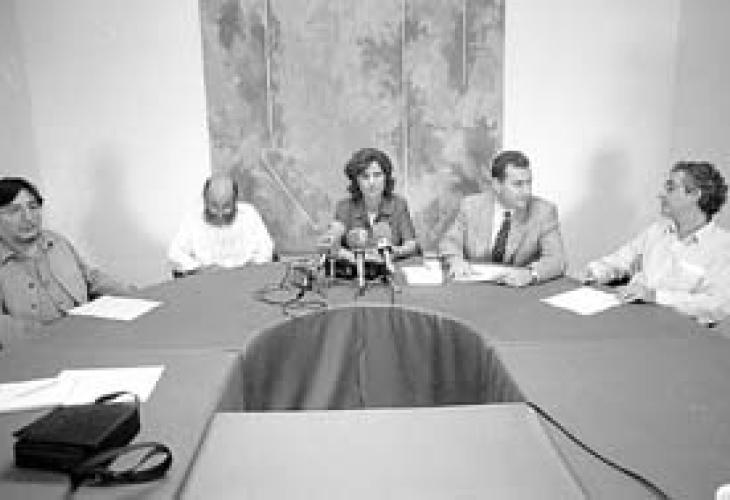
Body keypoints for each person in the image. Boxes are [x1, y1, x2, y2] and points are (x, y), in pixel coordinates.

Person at [579, 161, 730, 325]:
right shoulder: (656, 231)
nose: (661, 194)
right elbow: (620, 260)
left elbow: (716, 305)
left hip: (674, 330)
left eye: (670, 188)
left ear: (695, 195)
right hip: (630, 317)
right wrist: (592, 272)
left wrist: (655, 296)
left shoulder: (722, 247)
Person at [0, 177, 134, 337]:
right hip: (42, 344)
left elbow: (91, 277)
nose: (28, 217)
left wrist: (133, 295)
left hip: (89, 332)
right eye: (14, 211)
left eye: (33, 207)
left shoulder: (56, 241)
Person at [439, 150, 566, 286]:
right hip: (474, 286)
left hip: (517, 290)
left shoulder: (544, 211)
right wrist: (456, 261)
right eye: (518, 184)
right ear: (497, 185)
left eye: (529, 183)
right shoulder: (471, 206)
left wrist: (531, 274)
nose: (527, 191)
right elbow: (449, 242)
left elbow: (557, 260)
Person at [168, 173, 274, 275]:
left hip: (247, 277)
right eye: (214, 206)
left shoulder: (249, 213)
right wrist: (200, 268)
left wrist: (252, 265)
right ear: (205, 199)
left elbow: (267, 248)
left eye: (226, 207)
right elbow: (175, 254)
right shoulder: (192, 218)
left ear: (235, 201)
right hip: (207, 280)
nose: (220, 214)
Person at [325, 147, 418, 262]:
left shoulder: (399, 204)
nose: (372, 182)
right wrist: (355, 257)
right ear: (356, 181)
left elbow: (411, 244)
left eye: (377, 175)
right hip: (354, 270)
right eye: (365, 177)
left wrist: (395, 251)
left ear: (386, 177)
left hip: (390, 268)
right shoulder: (343, 207)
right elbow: (333, 246)